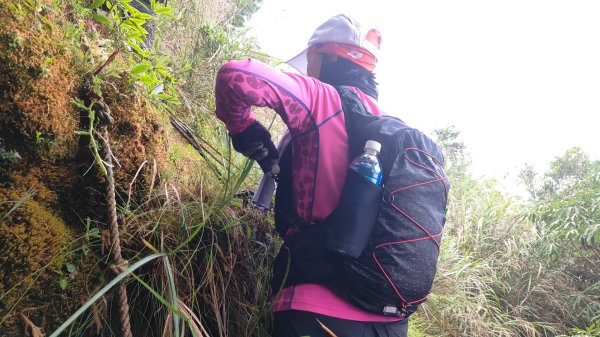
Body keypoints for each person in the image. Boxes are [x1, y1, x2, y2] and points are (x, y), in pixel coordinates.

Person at [214, 14, 409, 337]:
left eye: (312, 59)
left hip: (315, 313)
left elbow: (236, 75)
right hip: (388, 323)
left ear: (329, 57)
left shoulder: (322, 99)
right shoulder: (396, 131)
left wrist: (242, 128)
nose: (309, 69)